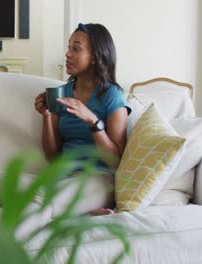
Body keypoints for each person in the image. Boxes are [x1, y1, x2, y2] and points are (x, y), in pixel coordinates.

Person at [33, 23, 131, 215]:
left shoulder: (112, 96)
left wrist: (93, 122)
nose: (67, 54)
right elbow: (52, 157)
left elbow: (116, 161)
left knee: (38, 201)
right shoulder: (63, 92)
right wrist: (46, 116)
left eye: (76, 49)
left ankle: (59, 211)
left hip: (98, 179)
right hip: (63, 177)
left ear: (95, 57)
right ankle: (80, 214)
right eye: (69, 47)